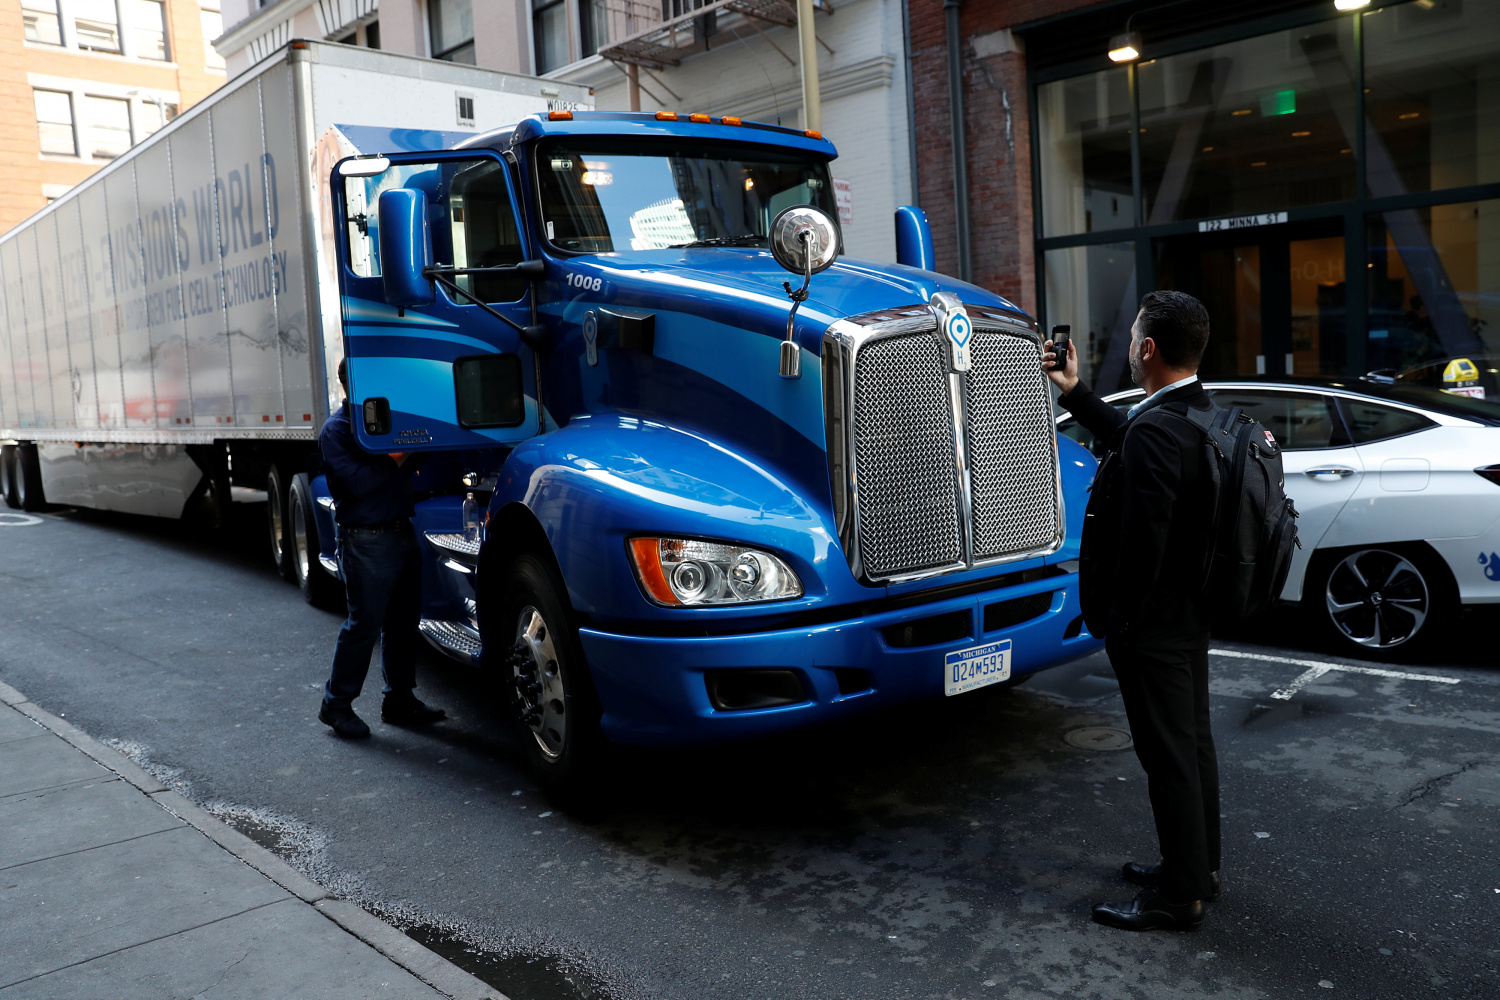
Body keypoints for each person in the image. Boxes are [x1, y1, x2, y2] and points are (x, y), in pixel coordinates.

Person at [1042, 291, 1221, 932]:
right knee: (1192, 746)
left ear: (1146, 349)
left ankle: (1179, 896)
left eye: (1133, 337)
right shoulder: (1198, 414)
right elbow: (1132, 442)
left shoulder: (1158, 429)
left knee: (1167, 755)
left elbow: (1142, 543)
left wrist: (1119, 623)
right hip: (1189, 614)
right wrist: (1074, 392)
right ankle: (1199, 867)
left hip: (1153, 627)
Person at [317, 359, 447, 738]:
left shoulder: (386, 424)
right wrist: (396, 452)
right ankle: (335, 705)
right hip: (366, 540)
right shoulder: (337, 431)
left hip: (400, 531)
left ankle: (399, 700)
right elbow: (358, 483)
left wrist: (420, 439)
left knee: (403, 624)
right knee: (364, 626)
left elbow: (414, 461)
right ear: (350, 384)